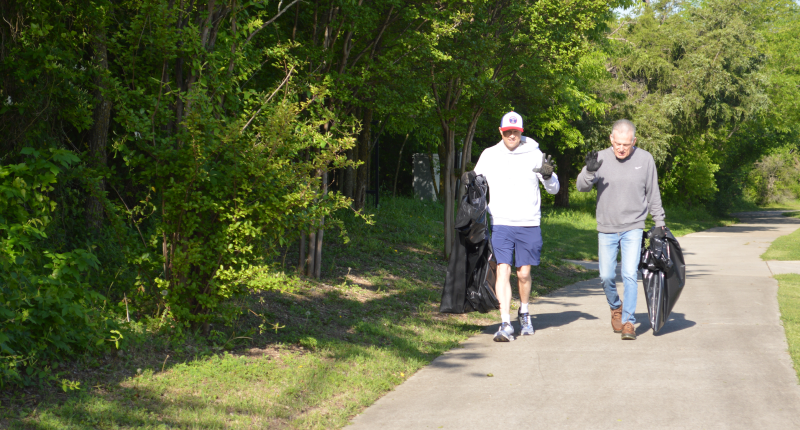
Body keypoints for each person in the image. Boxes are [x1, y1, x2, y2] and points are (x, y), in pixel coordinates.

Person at [576, 119, 667, 340]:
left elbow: (653, 193)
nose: (621, 148)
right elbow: (581, 187)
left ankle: (628, 322)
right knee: (606, 276)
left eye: (626, 144)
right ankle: (615, 306)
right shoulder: (600, 158)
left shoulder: (645, 159)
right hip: (606, 227)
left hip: (633, 226)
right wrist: (589, 171)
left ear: (633, 141)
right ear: (611, 139)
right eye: (618, 143)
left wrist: (659, 222)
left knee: (628, 274)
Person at [474, 111, 560, 342]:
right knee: (503, 269)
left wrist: (549, 177)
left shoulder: (534, 154)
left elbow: (554, 189)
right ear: (501, 132)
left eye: (516, 132)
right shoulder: (489, 154)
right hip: (501, 221)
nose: (512, 135)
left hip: (529, 222)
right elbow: (476, 184)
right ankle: (505, 322)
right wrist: (469, 184)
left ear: (521, 133)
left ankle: (524, 311)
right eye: (507, 131)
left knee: (524, 274)